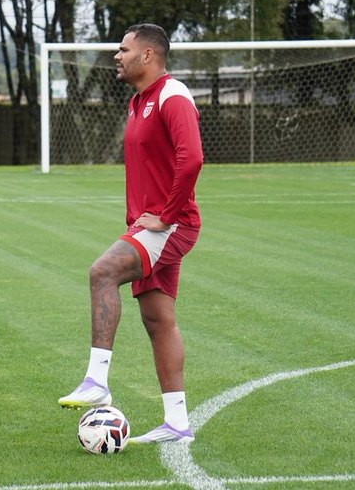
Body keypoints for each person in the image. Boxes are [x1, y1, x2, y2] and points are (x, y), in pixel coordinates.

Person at [58, 24, 203, 444]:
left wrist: (166, 214)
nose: (117, 56)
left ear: (148, 55)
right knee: (159, 320)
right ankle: (177, 423)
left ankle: (97, 379)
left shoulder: (173, 96)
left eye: (124, 49)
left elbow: (191, 158)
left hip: (170, 225)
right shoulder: (139, 102)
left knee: (102, 272)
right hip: (150, 224)